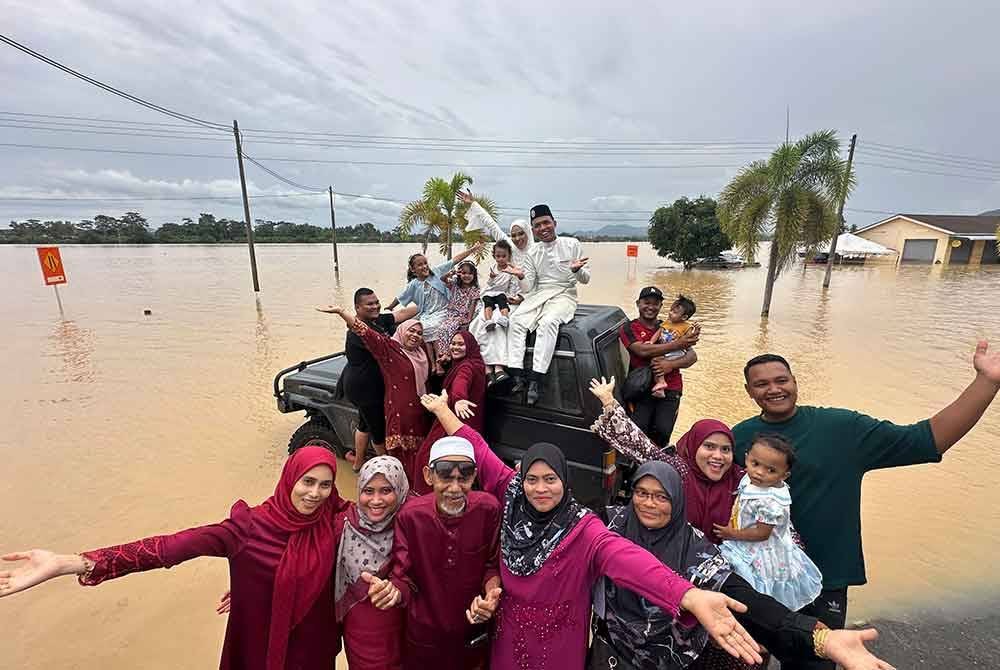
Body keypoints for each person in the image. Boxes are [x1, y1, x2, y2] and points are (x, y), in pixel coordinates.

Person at [419, 389, 765, 670]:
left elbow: (628, 560)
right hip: (509, 634)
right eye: (533, 480)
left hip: (560, 642)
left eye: (551, 480)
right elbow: (477, 447)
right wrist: (442, 410)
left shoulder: (582, 528)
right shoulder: (512, 494)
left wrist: (686, 595)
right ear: (521, 479)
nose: (541, 489)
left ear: (564, 481)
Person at [732, 344, 1000, 668]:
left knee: (815, 663)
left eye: (782, 380)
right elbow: (702, 490)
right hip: (757, 580)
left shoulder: (842, 429)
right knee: (746, 660)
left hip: (824, 577)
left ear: (794, 381)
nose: (774, 389)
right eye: (762, 384)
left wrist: (987, 383)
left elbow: (925, 440)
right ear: (749, 391)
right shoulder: (737, 439)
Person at [0, 447, 348, 670]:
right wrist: (69, 563)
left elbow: (392, 516)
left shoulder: (337, 523)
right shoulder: (248, 528)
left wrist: (259, 588)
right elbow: (170, 548)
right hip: (258, 646)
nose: (315, 494)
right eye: (307, 482)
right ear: (289, 479)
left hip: (313, 650)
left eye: (325, 485)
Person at [590, 461, 895, 670]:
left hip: (671, 659)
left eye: (661, 497)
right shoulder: (608, 525)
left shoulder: (695, 548)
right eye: (642, 494)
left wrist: (820, 638)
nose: (649, 504)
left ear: (678, 501)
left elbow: (748, 601)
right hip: (609, 653)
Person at [381, 434, 503, 670]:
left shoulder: (489, 509)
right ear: (429, 475)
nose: (455, 488)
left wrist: (491, 596)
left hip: (472, 629)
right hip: (424, 635)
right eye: (445, 475)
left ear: (474, 476)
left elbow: (491, 564)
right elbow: (403, 576)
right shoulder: (411, 516)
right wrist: (392, 593)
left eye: (464, 476)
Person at [589, 376, 742, 544]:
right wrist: (608, 400)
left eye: (725, 449)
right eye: (709, 447)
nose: (718, 456)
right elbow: (639, 443)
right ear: (693, 447)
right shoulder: (678, 471)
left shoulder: (742, 481)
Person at [316, 305, 432, 486]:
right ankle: (397, 491)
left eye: (419, 333)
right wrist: (342, 312)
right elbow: (364, 331)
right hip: (399, 416)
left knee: (418, 459)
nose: (415, 335)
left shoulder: (421, 353)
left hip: (419, 414)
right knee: (399, 461)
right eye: (411, 330)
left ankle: (415, 491)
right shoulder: (389, 349)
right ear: (401, 331)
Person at [715, 434, 822, 612]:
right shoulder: (751, 479)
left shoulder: (770, 502)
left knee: (760, 585)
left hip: (762, 548)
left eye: (771, 470)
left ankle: (762, 614)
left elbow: (761, 533)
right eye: (755, 463)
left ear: (785, 475)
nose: (760, 472)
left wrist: (731, 534)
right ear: (747, 457)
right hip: (747, 536)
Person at [505, 204, 591, 406]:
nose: (542, 228)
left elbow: (586, 279)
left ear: (554, 223)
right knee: (516, 320)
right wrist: (520, 276)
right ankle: (517, 376)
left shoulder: (572, 244)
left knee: (548, 322)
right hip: (539, 294)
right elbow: (528, 288)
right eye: (537, 225)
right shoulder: (533, 252)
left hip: (564, 294)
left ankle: (536, 379)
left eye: (546, 223)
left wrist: (577, 270)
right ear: (533, 230)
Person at [334, 456, 409, 670]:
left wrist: (398, 588)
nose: (376, 500)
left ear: (400, 488)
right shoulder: (343, 524)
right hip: (358, 634)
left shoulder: (413, 525)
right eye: (368, 491)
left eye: (386, 490)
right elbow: (303, 558)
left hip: (404, 634)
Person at [340, 288, 418, 472]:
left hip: (367, 381)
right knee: (377, 429)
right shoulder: (356, 332)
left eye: (376, 302)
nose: (375, 306)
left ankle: (358, 463)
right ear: (357, 308)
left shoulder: (379, 320)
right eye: (369, 304)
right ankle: (389, 469)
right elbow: (386, 346)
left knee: (364, 423)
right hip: (364, 386)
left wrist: (429, 295)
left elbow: (404, 313)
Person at [620, 287, 700, 445]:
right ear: (638, 303)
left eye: (655, 304)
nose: (650, 307)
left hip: (671, 388)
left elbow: (692, 356)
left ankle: (658, 466)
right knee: (638, 432)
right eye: (646, 302)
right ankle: (638, 467)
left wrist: (670, 365)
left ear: (661, 306)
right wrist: (677, 344)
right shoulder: (629, 328)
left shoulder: (671, 325)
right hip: (642, 389)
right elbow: (642, 350)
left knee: (663, 431)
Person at [412, 331, 487, 496]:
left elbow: (461, 381)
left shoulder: (466, 367)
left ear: (470, 347)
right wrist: (446, 365)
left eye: (461, 344)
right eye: (453, 343)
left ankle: (427, 498)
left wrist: (459, 399)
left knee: (428, 458)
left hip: (453, 421)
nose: (455, 347)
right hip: (469, 422)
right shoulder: (475, 363)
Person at [386, 243, 483, 369]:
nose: (424, 266)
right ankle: (431, 363)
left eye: (425, 263)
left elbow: (455, 260)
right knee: (420, 327)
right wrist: (390, 306)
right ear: (413, 270)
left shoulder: (436, 272)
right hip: (427, 313)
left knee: (433, 328)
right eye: (420, 265)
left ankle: (439, 361)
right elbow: (401, 297)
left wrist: (472, 249)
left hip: (443, 311)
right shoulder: (414, 284)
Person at [476, 239, 523, 385]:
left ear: (509, 256)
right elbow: (488, 287)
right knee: (479, 323)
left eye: (504, 256)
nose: (501, 259)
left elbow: (515, 288)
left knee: (500, 325)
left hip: (504, 300)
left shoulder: (512, 269)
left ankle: (499, 366)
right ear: (494, 256)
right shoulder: (493, 269)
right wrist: (491, 279)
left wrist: (515, 298)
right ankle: (487, 367)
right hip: (491, 299)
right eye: (498, 256)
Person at [460, 190, 535, 266]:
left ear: (528, 233)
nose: (517, 238)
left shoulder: (538, 252)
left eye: (521, 234)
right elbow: (491, 224)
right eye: (513, 235)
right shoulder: (511, 246)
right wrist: (473, 203)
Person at [436, 260, 483, 372]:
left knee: (448, 328)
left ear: (474, 275)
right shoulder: (455, 285)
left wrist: (469, 318)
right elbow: (441, 279)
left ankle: (446, 354)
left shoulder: (474, 289)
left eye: (469, 273)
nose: (466, 276)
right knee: (442, 329)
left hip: (462, 315)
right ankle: (443, 354)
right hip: (451, 313)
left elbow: (472, 304)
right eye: (464, 273)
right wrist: (451, 273)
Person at [649, 294, 697, 398]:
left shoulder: (686, 326)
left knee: (657, 362)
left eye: (674, 312)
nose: (670, 313)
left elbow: (689, 341)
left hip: (677, 352)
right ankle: (661, 385)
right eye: (671, 310)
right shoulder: (667, 322)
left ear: (684, 317)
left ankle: (661, 383)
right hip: (666, 351)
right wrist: (651, 342)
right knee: (656, 360)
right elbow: (659, 332)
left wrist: (695, 332)